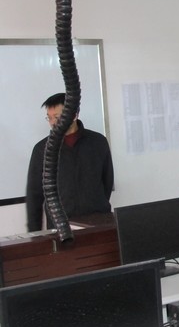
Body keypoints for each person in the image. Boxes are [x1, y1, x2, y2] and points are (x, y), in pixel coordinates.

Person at [26, 93, 114, 232]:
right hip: (61, 227)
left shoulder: (98, 142)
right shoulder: (42, 149)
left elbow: (107, 181)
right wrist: (34, 233)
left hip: (99, 223)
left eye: (57, 117)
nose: (52, 122)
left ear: (74, 115)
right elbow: (34, 194)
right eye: (49, 118)